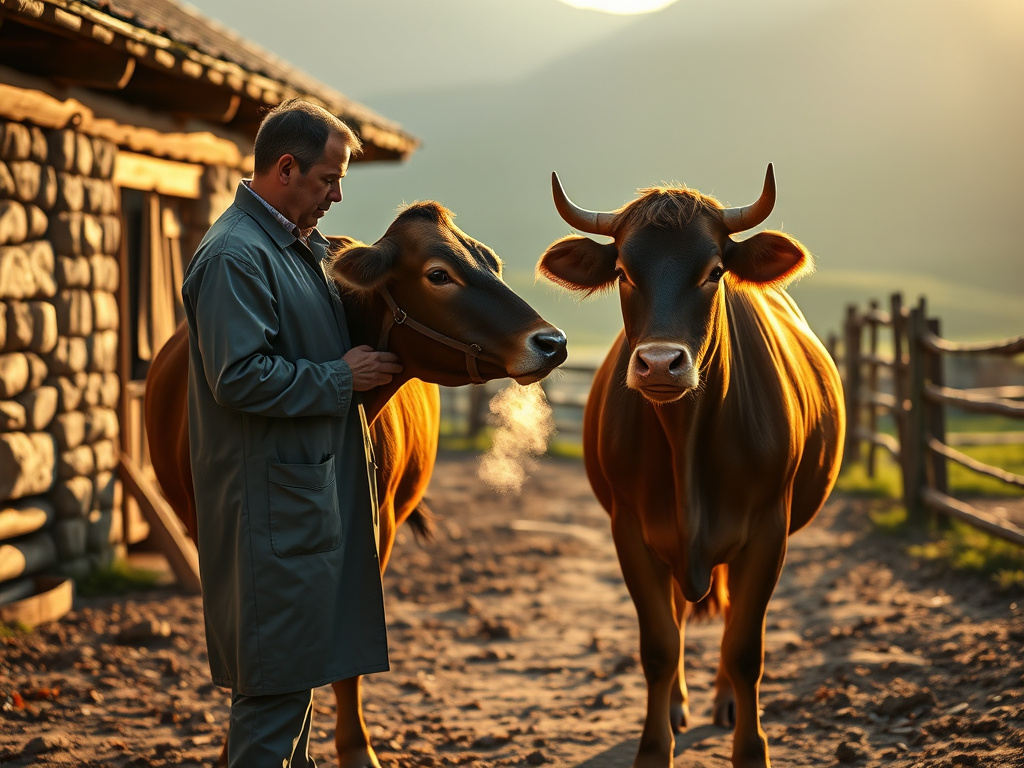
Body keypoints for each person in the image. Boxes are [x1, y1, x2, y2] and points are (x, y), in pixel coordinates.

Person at [180, 98, 402, 767]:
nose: (338, 195)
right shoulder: (236, 256)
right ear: (285, 169)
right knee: (273, 693)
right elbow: (238, 376)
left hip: (298, 509)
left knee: (295, 680)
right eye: (329, 179)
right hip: (268, 515)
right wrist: (342, 377)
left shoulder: (295, 248)